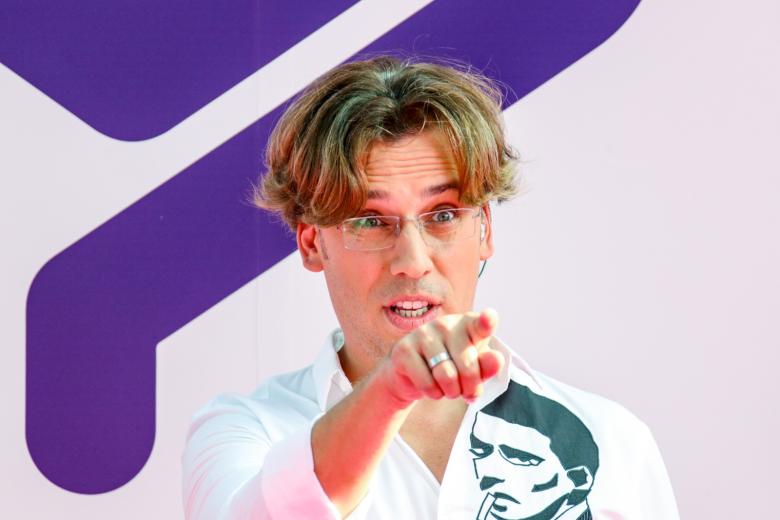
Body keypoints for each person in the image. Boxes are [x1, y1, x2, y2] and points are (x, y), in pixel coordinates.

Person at [182, 56, 679, 519]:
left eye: (442, 215)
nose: (413, 262)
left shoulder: (612, 441)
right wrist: (390, 391)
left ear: (484, 230)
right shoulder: (246, 431)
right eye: (369, 221)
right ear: (312, 243)